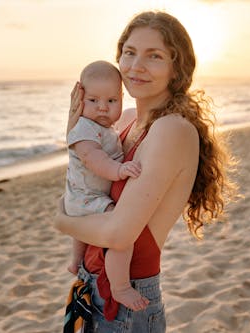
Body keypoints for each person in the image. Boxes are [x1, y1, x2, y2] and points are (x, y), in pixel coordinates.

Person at [55, 10, 237, 332]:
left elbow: (120, 234)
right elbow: (84, 182)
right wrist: (75, 130)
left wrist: (62, 221)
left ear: (176, 69)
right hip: (91, 287)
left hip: (127, 303)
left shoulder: (172, 130)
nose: (136, 66)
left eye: (154, 56)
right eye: (129, 52)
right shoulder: (124, 120)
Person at [64, 60, 149, 312]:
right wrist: (119, 170)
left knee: (83, 232)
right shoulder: (83, 129)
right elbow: (94, 159)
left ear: (121, 99)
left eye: (111, 101)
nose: (102, 108)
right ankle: (120, 287)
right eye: (93, 101)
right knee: (121, 233)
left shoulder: (105, 127)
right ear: (80, 100)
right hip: (86, 198)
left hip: (82, 198)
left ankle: (75, 260)